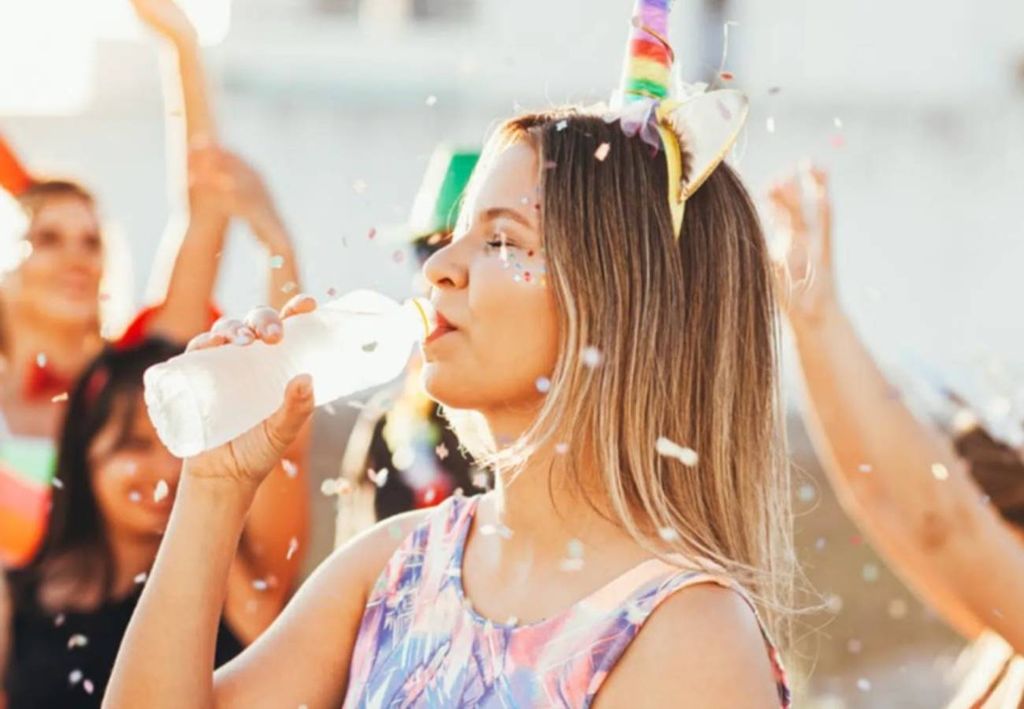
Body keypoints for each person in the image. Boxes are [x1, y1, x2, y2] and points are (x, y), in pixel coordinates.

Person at [104, 2, 794, 706]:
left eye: (504, 241)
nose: (439, 268)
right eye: (458, 233)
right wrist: (215, 488)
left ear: (623, 301)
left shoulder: (686, 635)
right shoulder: (397, 566)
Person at [0, 0, 303, 568]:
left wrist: (181, 45)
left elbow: (205, 208)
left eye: (92, 242)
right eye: (48, 238)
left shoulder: (131, 381)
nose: (77, 258)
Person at [769, 166, 1024, 706]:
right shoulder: (1003, 637)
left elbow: (946, 525)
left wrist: (823, 320)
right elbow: (879, 496)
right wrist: (812, 321)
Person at [0, 339, 306, 707]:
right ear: (86, 453)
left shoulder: (234, 585)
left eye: (182, 446)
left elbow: (264, 637)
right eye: (135, 444)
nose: (167, 471)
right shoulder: (17, 599)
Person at [337, 146, 480, 533]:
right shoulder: (386, 424)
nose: (440, 271)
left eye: (482, 249)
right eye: (428, 250)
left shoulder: (557, 434)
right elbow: (353, 574)